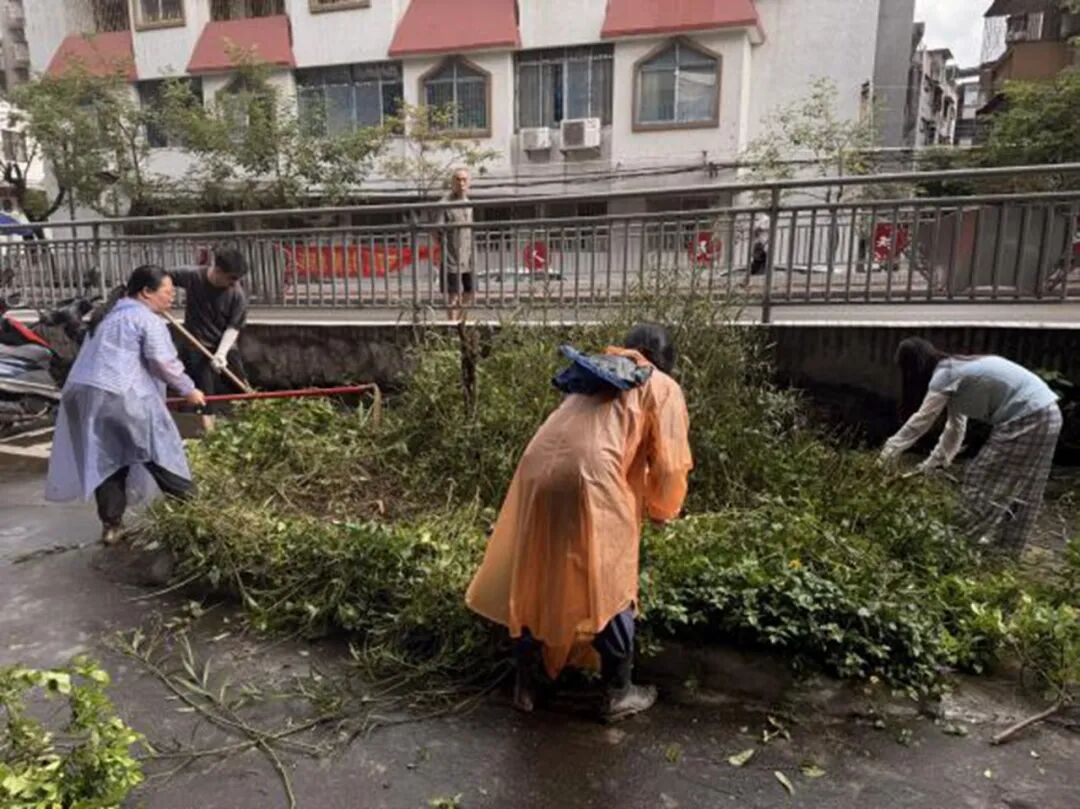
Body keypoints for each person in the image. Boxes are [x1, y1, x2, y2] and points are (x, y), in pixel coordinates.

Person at [466, 324, 693, 722]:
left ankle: (527, 685)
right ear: (662, 360)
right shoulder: (661, 385)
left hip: (537, 469)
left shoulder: (595, 367)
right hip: (594, 476)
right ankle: (618, 692)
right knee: (609, 578)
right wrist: (662, 510)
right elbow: (671, 465)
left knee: (539, 569)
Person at [45, 265, 205, 545]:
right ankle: (200, 514)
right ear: (146, 292)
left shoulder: (106, 317)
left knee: (108, 459)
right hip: (120, 395)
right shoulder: (145, 320)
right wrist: (190, 390)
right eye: (167, 293)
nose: (171, 299)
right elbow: (163, 363)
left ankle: (111, 526)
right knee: (159, 452)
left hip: (84, 397)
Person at [879, 337, 1061, 557]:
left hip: (1028, 417)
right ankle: (1004, 549)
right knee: (1025, 485)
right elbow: (955, 428)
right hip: (1049, 414)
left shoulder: (945, 376)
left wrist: (886, 455)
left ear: (913, 367)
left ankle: (957, 544)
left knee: (981, 476)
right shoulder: (958, 370)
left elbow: (921, 422)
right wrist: (934, 463)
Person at [170, 247, 249, 429]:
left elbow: (234, 326)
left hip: (226, 347)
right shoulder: (192, 276)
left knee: (241, 389)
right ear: (218, 270)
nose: (234, 283)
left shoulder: (236, 294)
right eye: (231, 278)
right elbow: (160, 278)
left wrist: (221, 354)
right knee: (204, 397)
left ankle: (248, 423)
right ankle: (208, 431)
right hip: (197, 345)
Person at [437, 168, 474, 320]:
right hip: (451, 256)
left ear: (469, 182)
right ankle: (452, 326)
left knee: (469, 290)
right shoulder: (444, 203)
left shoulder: (468, 203)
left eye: (464, 179)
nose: (461, 183)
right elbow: (435, 230)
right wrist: (445, 248)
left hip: (468, 255)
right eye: (458, 179)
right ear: (452, 182)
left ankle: (461, 323)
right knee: (453, 294)